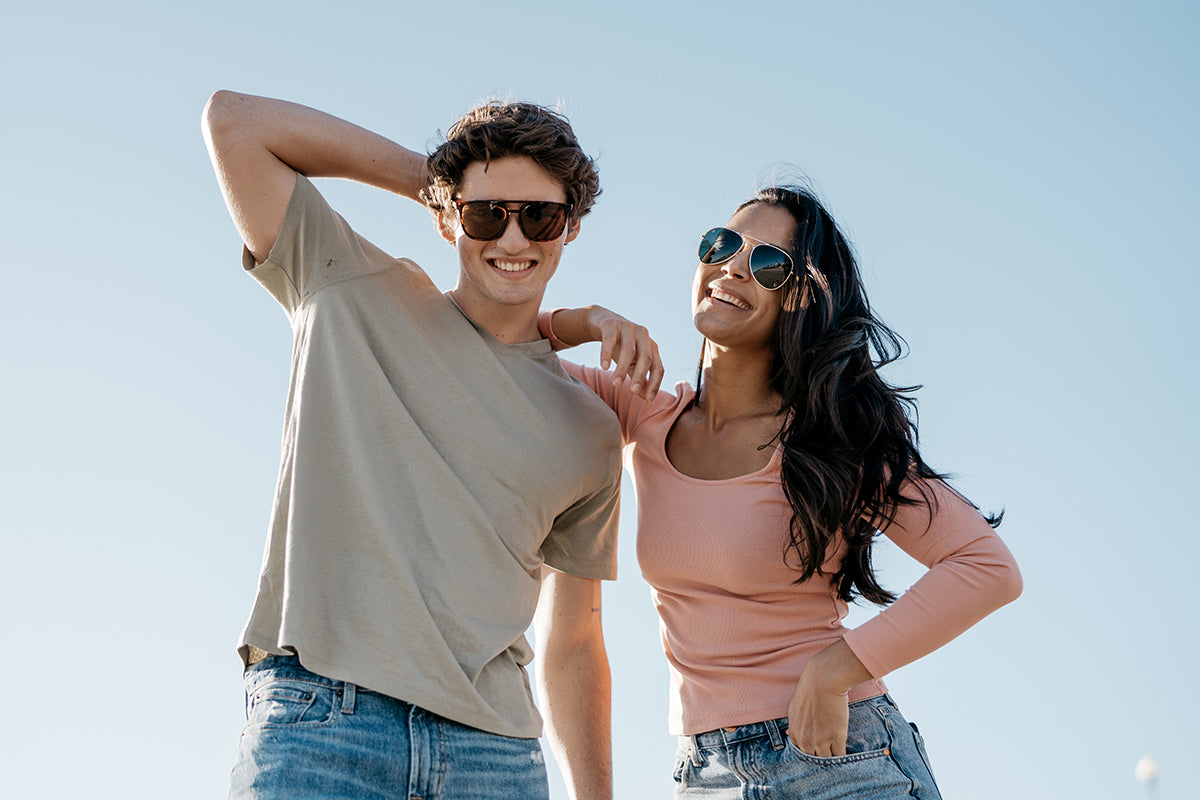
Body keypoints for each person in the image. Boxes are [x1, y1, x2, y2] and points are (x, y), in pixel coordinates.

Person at [201, 90, 622, 800]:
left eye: (540, 217)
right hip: (322, 728)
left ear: (571, 227)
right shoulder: (346, 285)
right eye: (488, 213)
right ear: (450, 217)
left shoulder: (590, 429)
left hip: (495, 756)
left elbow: (576, 642)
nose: (513, 240)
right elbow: (234, 123)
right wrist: (436, 182)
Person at [539, 183, 1023, 799]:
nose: (734, 266)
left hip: (838, 757)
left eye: (769, 265)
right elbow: (491, 336)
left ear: (799, 299)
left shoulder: (830, 441)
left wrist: (834, 670)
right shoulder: (639, 413)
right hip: (706, 774)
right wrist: (585, 320)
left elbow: (988, 566)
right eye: (722, 244)